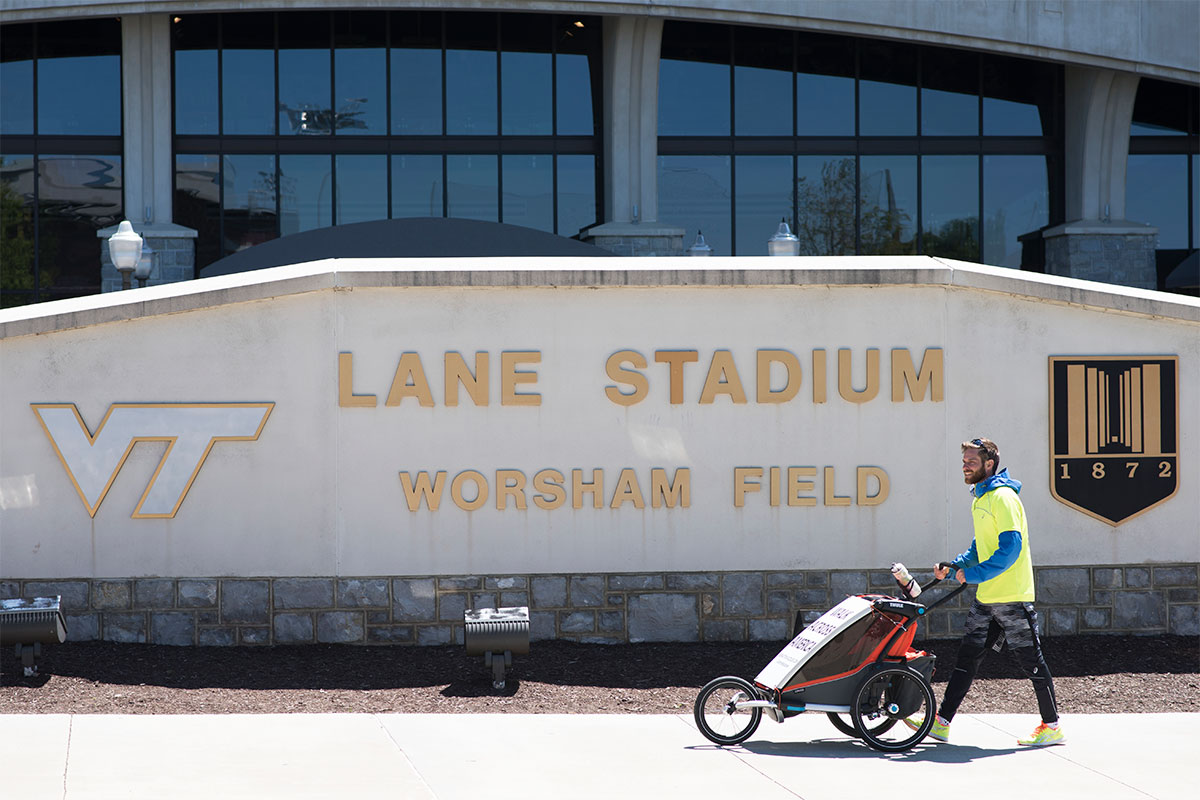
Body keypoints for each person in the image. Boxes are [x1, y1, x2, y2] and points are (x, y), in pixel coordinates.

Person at [909, 437, 1064, 747]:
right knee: (967, 658)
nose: (965, 466)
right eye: (964, 461)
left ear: (989, 464)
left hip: (1012, 597)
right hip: (987, 598)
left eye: (972, 461)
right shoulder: (981, 498)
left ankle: (1052, 726)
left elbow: (1010, 549)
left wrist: (974, 574)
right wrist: (954, 567)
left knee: (1031, 661)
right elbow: (982, 547)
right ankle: (941, 723)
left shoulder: (1003, 498)